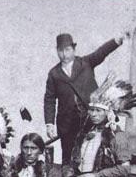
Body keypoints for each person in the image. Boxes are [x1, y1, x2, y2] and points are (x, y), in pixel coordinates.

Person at [42, 75, 133, 177]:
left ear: (108, 112)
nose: (93, 114)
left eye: (98, 111)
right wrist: (70, 172)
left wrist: (94, 176)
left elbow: (125, 168)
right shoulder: (85, 132)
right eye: (91, 110)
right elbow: (75, 160)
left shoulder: (117, 135)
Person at [44, 31, 127, 164]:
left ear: (74, 49)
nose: (64, 54)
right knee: (68, 157)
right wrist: (49, 124)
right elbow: (49, 99)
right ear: (57, 51)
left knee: (93, 152)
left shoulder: (86, 63)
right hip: (67, 124)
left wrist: (117, 41)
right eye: (60, 51)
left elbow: (101, 52)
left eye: (67, 50)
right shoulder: (54, 74)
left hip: (91, 118)